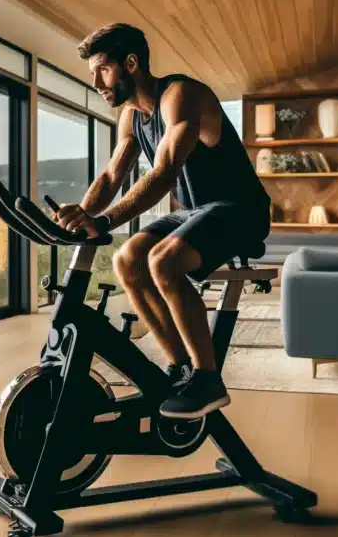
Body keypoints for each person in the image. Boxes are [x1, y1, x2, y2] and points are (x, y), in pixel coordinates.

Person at [53, 23, 272, 420]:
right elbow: (110, 177)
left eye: (103, 70)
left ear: (131, 63)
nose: (97, 82)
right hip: (195, 210)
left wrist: (104, 221)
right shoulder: (130, 118)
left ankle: (207, 379)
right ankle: (179, 369)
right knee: (127, 260)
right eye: (93, 75)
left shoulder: (180, 96)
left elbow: (165, 170)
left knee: (163, 261)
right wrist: (83, 216)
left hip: (240, 209)